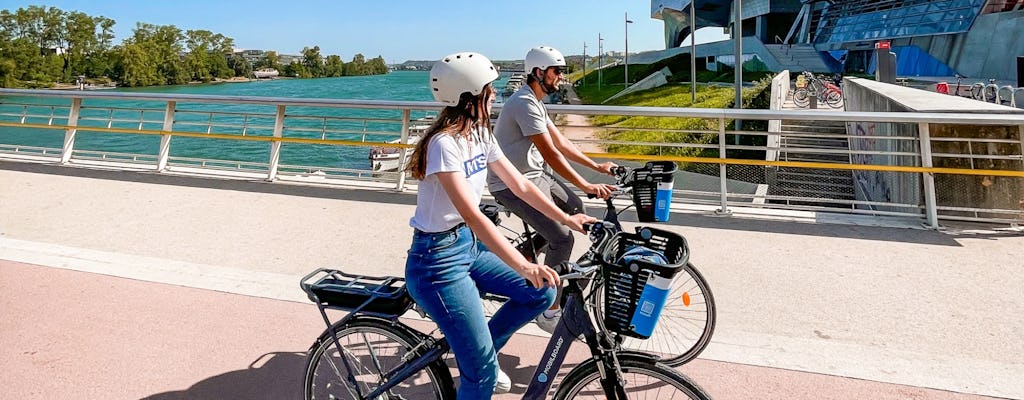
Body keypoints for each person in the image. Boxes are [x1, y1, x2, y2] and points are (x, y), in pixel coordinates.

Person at [404, 51, 596, 399]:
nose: (495, 95)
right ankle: (481, 364)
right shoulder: (443, 145)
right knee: (482, 379)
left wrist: (567, 218)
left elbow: (521, 184)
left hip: (465, 246)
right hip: (436, 262)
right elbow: (475, 215)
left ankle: (481, 353)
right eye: (489, 90)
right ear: (469, 96)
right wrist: (524, 264)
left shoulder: (480, 134)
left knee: (542, 291)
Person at [486, 45, 618, 333]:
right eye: (557, 71)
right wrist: (585, 184)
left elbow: (561, 143)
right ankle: (549, 310)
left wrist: (596, 167)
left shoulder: (536, 101)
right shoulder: (523, 103)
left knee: (577, 208)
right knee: (562, 239)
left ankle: (523, 256)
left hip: (535, 176)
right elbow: (550, 154)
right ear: (538, 72)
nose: (561, 77)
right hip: (511, 183)